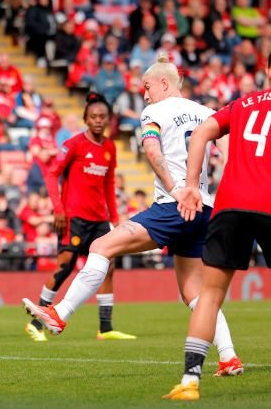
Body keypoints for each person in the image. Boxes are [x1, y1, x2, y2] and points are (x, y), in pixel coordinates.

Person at [24, 54, 242, 376]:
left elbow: (152, 152)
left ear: (164, 83)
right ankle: (228, 357)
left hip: (174, 206)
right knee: (194, 292)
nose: (144, 94)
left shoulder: (153, 112)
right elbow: (230, 153)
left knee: (101, 247)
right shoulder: (206, 112)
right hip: (204, 209)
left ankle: (60, 313)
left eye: (147, 87)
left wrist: (176, 189)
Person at [164, 42, 271, 401]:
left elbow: (202, 132)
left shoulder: (243, 103)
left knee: (211, 295)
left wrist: (190, 186)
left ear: (269, 71)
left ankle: (189, 382)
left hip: (230, 205)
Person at [25, 93, 136, 343]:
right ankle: (35, 323)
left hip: (99, 219)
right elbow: (52, 174)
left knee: (107, 266)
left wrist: (114, 218)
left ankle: (105, 328)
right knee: (64, 267)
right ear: (86, 119)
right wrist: (58, 209)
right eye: (93, 116)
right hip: (73, 217)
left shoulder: (109, 148)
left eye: (102, 117)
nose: (98, 120)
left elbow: (108, 183)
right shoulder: (73, 144)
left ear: (108, 120)